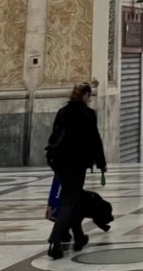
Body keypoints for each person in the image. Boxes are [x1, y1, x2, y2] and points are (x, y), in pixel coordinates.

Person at [46, 82, 107, 259]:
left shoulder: (63, 112)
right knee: (69, 201)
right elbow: (95, 139)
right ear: (85, 95)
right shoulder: (88, 114)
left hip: (59, 163)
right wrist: (101, 163)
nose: (90, 99)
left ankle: (79, 236)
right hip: (77, 164)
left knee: (72, 198)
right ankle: (55, 241)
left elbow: (55, 135)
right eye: (90, 96)